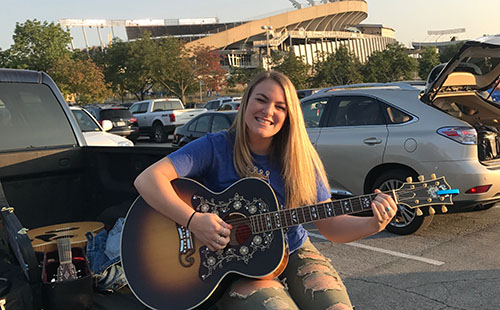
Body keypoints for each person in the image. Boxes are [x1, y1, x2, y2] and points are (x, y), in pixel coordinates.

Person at [134, 71, 397, 310]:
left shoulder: (301, 160)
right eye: (261, 99)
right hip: (235, 265)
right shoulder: (215, 147)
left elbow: (329, 224)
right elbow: (147, 180)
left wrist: (373, 223)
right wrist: (194, 221)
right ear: (246, 101)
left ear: (289, 114)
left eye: (280, 106)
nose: (268, 111)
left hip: (293, 251)